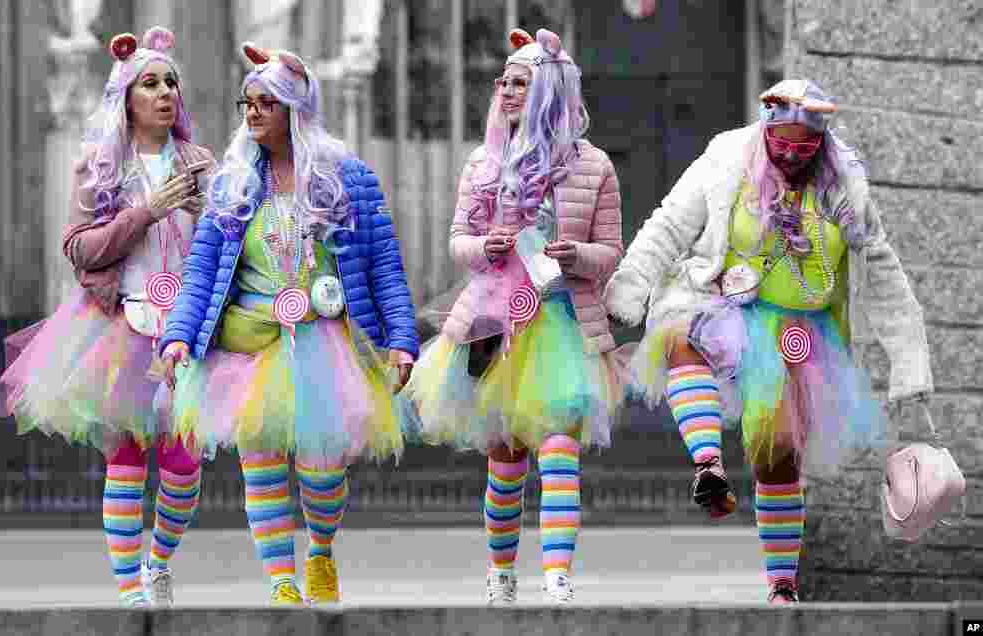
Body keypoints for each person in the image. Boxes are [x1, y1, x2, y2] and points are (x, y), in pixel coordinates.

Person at [603, 79, 932, 604]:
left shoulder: (846, 185)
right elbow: (668, 225)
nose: (791, 155)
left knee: (778, 459)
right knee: (679, 337)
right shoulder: (727, 157)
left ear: (821, 143)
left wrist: (910, 365)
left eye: (805, 147)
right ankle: (707, 466)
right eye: (783, 143)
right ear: (767, 128)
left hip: (803, 336)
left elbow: (885, 273)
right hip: (727, 310)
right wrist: (631, 285)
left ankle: (783, 586)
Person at [156, 43, 419, 606]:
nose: (251, 114)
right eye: (246, 103)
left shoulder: (347, 178)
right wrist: (178, 334)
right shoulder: (232, 184)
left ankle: (320, 551)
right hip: (250, 341)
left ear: (295, 109)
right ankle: (281, 581)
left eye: (265, 103)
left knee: (322, 469)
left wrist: (401, 339)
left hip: (325, 341)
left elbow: (385, 267)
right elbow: (202, 269)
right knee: (260, 459)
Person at [400, 28, 627, 605]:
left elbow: (611, 251)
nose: (504, 91)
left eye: (519, 83)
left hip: (562, 323)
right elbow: (458, 241)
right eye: (503, 81)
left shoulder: (594, 165)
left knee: (559, 452)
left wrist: (579, 257)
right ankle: (501, 577)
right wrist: (487, 247)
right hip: (493, 323)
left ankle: (556, 577)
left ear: (550, 90)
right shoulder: (484, 161)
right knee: (505, 462)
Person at [0, 27, 216, 607]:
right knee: (127, 457)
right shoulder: (99, 164)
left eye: (171, 83)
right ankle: (129, 595)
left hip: (188, 330)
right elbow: (79, 250)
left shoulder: (201, 162)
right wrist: (147, 211)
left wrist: (212, 212)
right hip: (120, 327)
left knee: (185, 467)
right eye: (151, 84)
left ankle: (158, 562)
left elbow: (230, 245)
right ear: (127, 98)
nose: (166, 93)